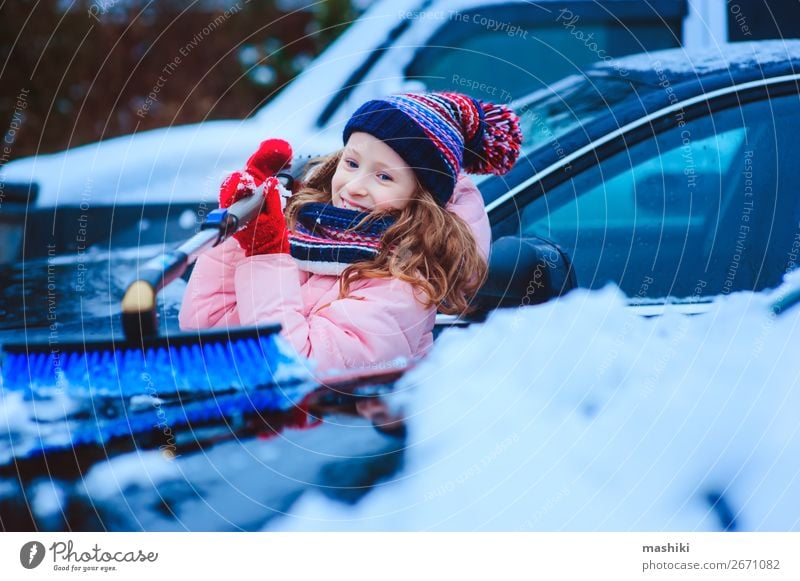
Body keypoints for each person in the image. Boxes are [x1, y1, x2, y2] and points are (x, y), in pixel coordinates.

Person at [179, 92, 522, 371]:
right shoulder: (307, 230)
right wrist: (243, 230)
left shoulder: (405, 284)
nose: (355, 187)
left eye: (384, 176)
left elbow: (294, 369)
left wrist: (267, 253)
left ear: (422, 198)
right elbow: (205, 327)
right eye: (352, 163)